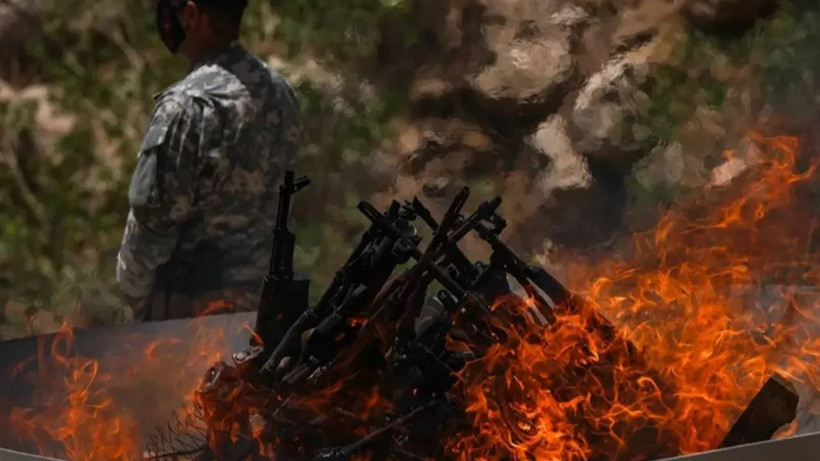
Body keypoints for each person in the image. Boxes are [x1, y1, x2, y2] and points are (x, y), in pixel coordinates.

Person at [116, 0, 301, 321]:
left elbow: (152, 222)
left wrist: (133, 298)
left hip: (194, 321)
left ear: (190, 13)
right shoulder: (280, 92)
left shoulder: (187, 104)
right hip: (266, 309)